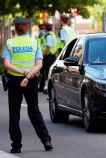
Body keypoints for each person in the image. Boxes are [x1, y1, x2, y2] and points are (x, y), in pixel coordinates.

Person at [2, 17, 53, 153]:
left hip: (14, 81)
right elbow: (39, 64)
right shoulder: (34, 42)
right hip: (30, 81)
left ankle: (16, 146)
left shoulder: (9, 43)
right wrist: (28, 76)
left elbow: (7, 65)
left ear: (16, 27)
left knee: (14, 114)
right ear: (26, 27)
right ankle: (46, 141)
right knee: (34, 111)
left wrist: (22, 73)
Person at [38, 23, 59, 92]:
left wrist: (44, 54)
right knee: (44, 71)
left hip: (48, 56)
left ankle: (46, 88)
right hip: (51, 56)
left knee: (46, 72)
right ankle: (42, 87)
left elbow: (48, 46)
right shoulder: (52, 35)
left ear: (45, 28)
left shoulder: (49, 36)